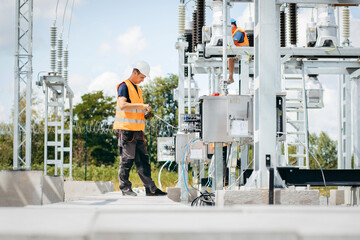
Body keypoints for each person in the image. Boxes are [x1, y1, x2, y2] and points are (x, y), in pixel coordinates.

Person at [114, 60, 167, 197]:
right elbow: (122, 105)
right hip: (126, 130)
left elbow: (135, 109)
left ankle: (151, 188)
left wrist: (144, 111)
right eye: (142, 77)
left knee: (143, 160)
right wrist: (141, 106)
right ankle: (125, 188)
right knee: (127, 160)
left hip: (137, 131)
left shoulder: (137, 89)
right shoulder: (124, 86)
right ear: (135, 72)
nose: (143, 80)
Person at [228, 18, 249, 84]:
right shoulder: (233, 33)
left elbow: (234, 42)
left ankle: (231, 77)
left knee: (230, 58)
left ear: (233, 25)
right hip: (239, 52)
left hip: (244, 52)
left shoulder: (238, 32)